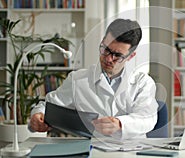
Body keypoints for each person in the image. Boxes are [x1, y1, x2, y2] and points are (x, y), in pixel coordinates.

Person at [29, 18, 158, 139]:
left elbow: (148, 118)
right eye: (105, 49)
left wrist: (120, 124)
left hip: (132, 151)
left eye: (117, 55)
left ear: (130, 56)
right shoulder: (78, 80)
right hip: (93, 150)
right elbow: (49, 106)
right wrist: (38, 115)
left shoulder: (143, 83)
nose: (108, 59)